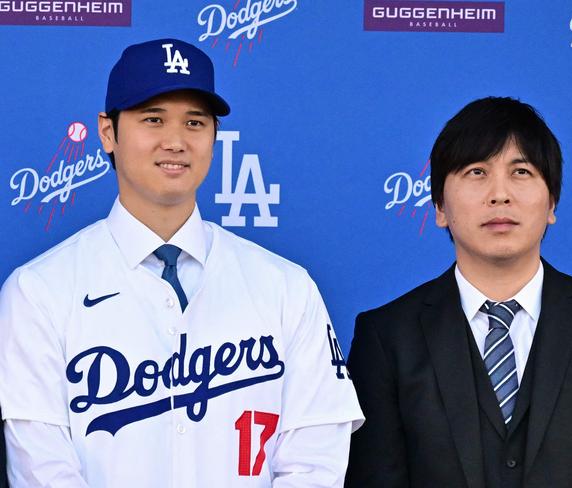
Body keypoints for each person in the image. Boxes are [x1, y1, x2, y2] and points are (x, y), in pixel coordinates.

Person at [0, 38, 363, 487]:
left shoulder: (286, 286)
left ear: (214, 136)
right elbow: (42, 469)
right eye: (153, 119)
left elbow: (314, 461)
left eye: (195, 122)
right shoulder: (38, 289)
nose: (175, 141)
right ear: (108, 131)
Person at [345, 97, 572, 487]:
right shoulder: (387, 336)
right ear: (439, 206)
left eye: (521, 172)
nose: (500, 194)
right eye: (476, 172)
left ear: (552, 202)